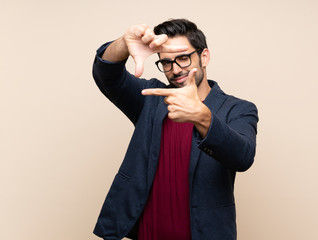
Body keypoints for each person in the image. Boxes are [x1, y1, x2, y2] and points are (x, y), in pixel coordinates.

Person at [92, 18, 258, 240]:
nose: (175, 69)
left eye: (183, 58)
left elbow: (243, 156)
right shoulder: (151, 98)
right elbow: (106, 75)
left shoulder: (238, 109)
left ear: (204, 56)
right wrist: (123, 43)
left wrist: (203, 118)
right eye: (166, 62)